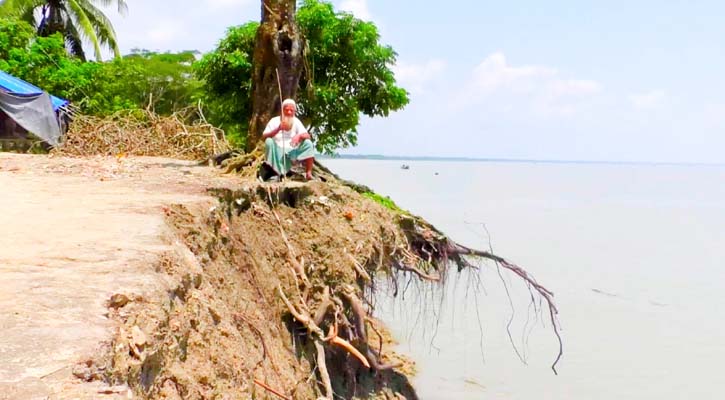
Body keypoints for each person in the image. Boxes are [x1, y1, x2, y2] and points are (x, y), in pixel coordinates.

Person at [262, 98, 315, 181]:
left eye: (291, 110)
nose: (289, 112)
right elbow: (264, 136)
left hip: (292, 151)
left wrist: (299, 136)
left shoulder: (296, 121)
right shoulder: (274, 121)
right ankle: (274, 172)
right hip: (277, 150)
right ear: (282, 110)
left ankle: (308, 173)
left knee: (308, 143)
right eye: (287, 110)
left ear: (294, 112)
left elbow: (307, 135)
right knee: (269, 141)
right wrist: (278, 129)